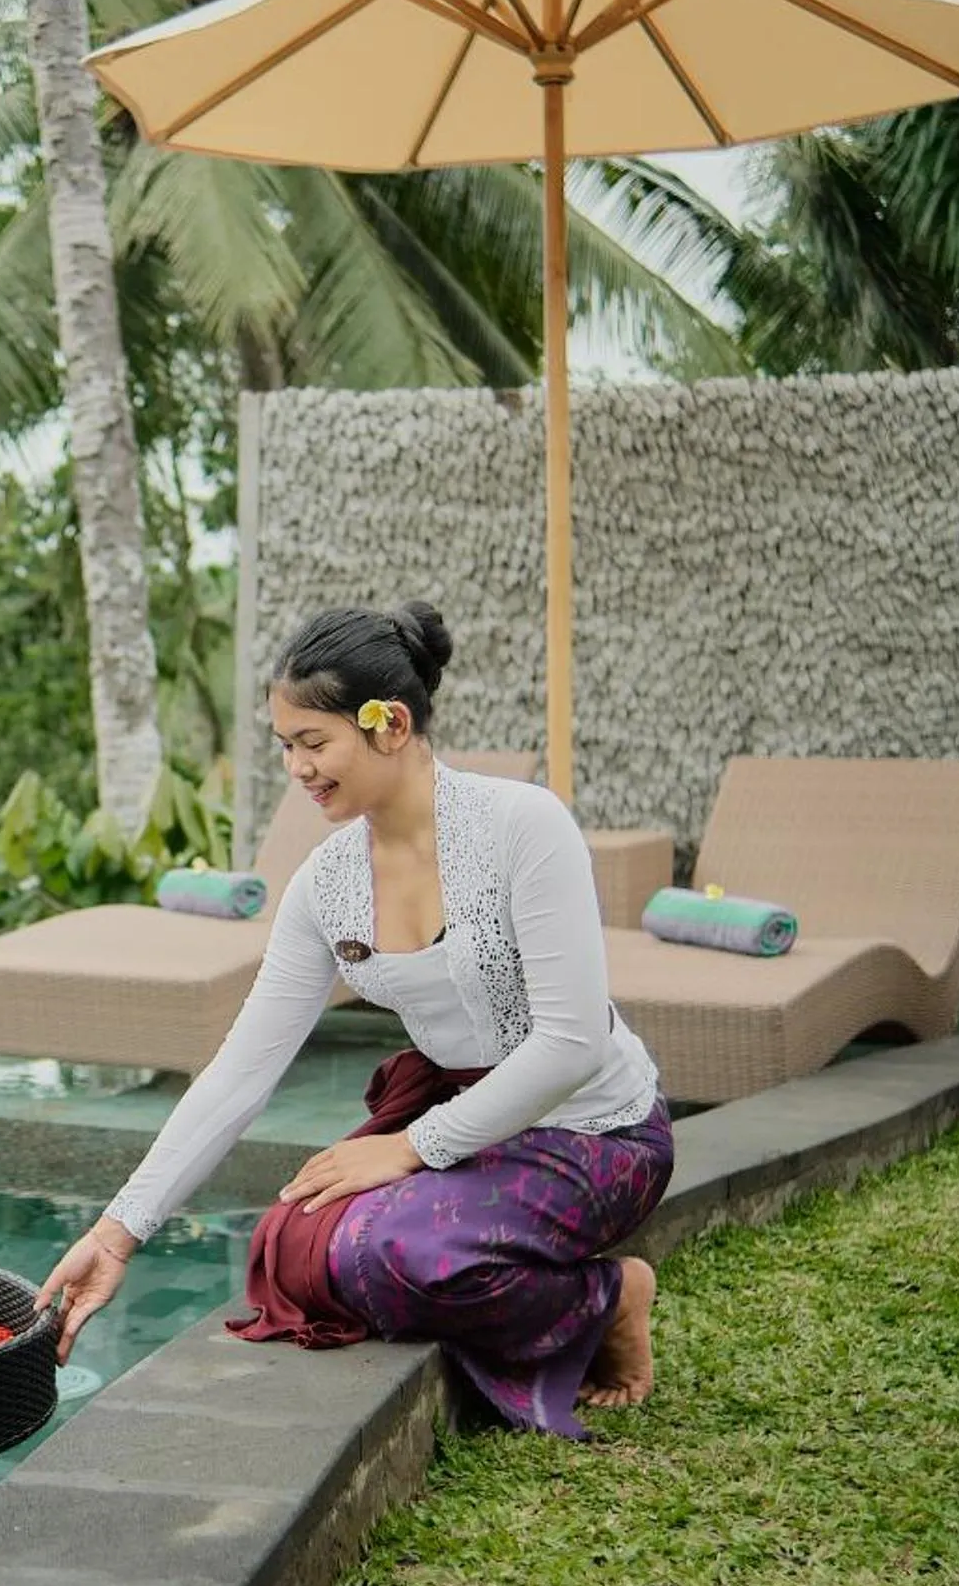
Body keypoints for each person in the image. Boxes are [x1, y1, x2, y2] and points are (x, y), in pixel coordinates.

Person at [35, 603, 673, 1439]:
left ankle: (611, 1296)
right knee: (291, 1241)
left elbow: (571, 1042)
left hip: (596, 1130)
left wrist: (410, 1147)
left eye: (312, 741)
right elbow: (241, 1069)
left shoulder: (523, 827)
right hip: (465, 1126)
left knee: (395, 1257)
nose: (296, 767)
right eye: (285, 746)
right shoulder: (326, 882)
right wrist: (118, 1232)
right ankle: (548, 1279)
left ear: (391, 724)